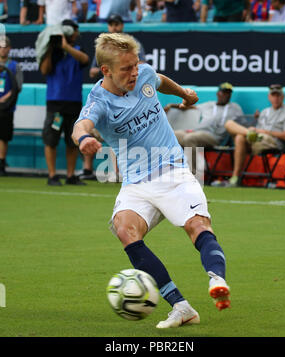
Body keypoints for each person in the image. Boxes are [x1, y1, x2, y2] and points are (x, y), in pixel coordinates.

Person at [72, 33, 231, 328]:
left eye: (135, 65)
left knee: (197, 226)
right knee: (124, 229)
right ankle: (181, 307)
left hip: (174, 172)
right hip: (136, 184)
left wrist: (184, 94)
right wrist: (83, 139)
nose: (134, 72)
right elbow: (81, 124)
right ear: (105, 71)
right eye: (125, 69)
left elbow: (157, 78)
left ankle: (217, 280)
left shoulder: (142, 73)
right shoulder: (99, 101)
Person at [82, 13, 146, 180]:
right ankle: (89, 170)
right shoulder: (103, 50)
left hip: (129, 97)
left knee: (122, 133)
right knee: (98, 134)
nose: (114, 27)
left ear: (122, 25)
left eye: (117, 24)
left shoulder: (132, 45)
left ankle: (118, 172)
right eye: (111, 24)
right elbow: (92, 71)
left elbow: (143, 68)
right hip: (107, 98)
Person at [39, 19, 89, 186]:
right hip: (55, 103)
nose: (74, 34)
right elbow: (44, 70)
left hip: (73, 102)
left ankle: (70, 175)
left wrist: (66, 46)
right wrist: (51, 48)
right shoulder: (51, 52)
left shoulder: (77, 50)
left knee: (72, 141)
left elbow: (85, 60)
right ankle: (52, 175)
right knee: (51, 139)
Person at [218, 84, 285, 187]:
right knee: (234, 131)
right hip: (257, 140)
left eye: (278, 95)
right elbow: (258, 128)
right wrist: (254, 129)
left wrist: (263, 132)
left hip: (273, 143)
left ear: (283, 97)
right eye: (273, 95)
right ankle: (235, 177)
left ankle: (251, 135)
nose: (276, 98)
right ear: (269, 97)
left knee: (244, 136)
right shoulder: (264, 112)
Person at [173, 82, 244, 175]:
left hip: (214, 137)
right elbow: (188, 107)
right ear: (218, 93)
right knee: (173, 134)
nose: (226, 95)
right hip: (197, 132)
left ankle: (191, 174)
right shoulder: (209, 105)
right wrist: (171, 106)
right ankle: (170, 172)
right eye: (224, 92)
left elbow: (242, 124)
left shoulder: (235, 107)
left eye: (228, 93)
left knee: (190, 138)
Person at [0, 36, 23, 176]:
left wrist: (5, 98)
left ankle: (1, 163)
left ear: (9, 49)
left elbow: (17, 86)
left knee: (3, 136)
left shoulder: (15, 66)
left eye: (4, 47)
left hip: (7, 107)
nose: (2, 50)